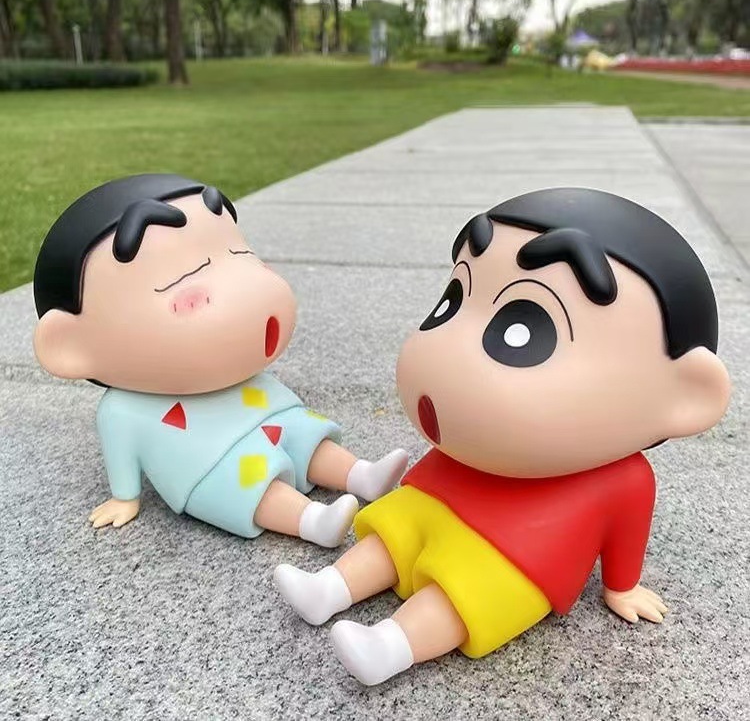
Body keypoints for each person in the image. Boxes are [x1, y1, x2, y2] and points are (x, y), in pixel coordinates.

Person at [274, 187, 731, 684]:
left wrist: (621, 588)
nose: (446, 346)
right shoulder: (475, 443)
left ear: (684, 398)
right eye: (451, 302)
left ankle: (389, 646)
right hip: (438, 501)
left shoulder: (623, 478)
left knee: (462, 594)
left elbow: (626, 531)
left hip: (519, 555)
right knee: (391, 537)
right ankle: (329, 587)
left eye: (524, 331)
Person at [33, 174, 407, 544]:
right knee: (250, 482)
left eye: (241, 255)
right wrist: (125, 497)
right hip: (206, 462)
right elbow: (121, 450)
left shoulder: (241, 373)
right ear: (71, 347)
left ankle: (361, 475)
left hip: (266, 413)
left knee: (307, 437)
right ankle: (312, 521)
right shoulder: (124, 409)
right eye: (180, 278)